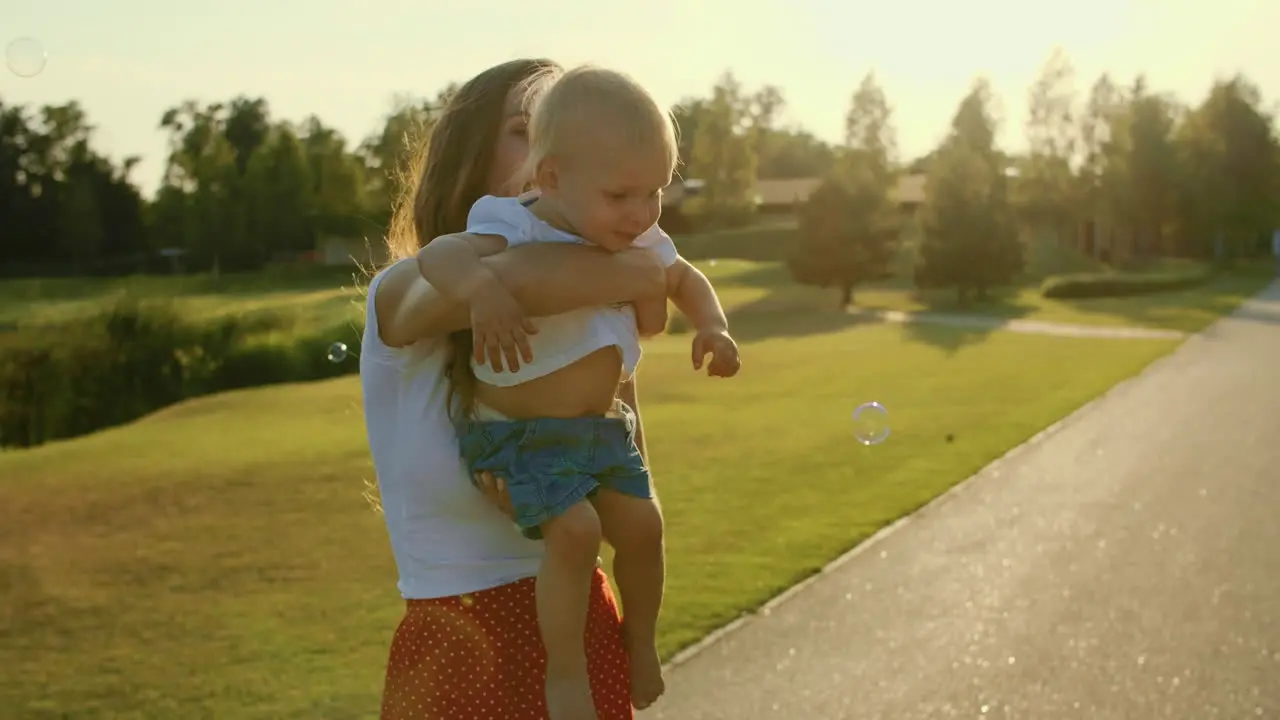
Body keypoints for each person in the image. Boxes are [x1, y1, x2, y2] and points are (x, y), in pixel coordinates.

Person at [415, 65, 740, 720]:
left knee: (645, 527)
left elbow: (683, 278)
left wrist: (714, 325)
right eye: (622, 195)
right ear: (553, 177)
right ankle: (565, 672)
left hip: (600, 432)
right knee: (577, 532)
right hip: (520, 436)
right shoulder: (512, 224)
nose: (642, 213)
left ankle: (640, 644)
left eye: (654, 193)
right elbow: (439, 260)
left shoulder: (637, 236)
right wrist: (485, 291)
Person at [362, 58, 681, 720]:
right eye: (523, 126)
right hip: (460, 644)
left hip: (579, 630)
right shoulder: (404, 291)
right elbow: (524, 279)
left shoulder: (597, 318)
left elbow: (630, 475)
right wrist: (641, 271)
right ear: (470, 157)